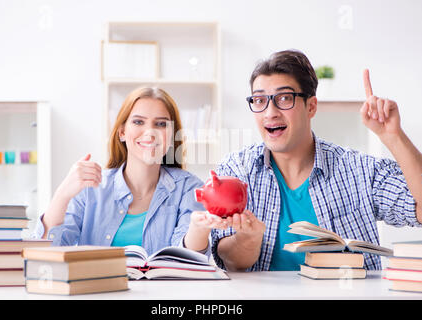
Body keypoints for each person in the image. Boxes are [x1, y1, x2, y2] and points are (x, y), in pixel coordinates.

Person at [211, 49, 422, 271]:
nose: (269, 112)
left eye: (284, 98)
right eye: (259, 100)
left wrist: (394, 137)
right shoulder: (237, 170)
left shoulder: (358, 169)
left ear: (311, 106)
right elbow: (230, 261)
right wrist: (248, 239)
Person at [33, 86, 225, 255]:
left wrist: (199, 229)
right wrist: (62, 195)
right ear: (122, 132)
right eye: (139, 122)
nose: (150, 132)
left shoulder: (189, 188)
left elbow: (186, 259)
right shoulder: (91, 189)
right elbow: (45, 253)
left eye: (161, 124)